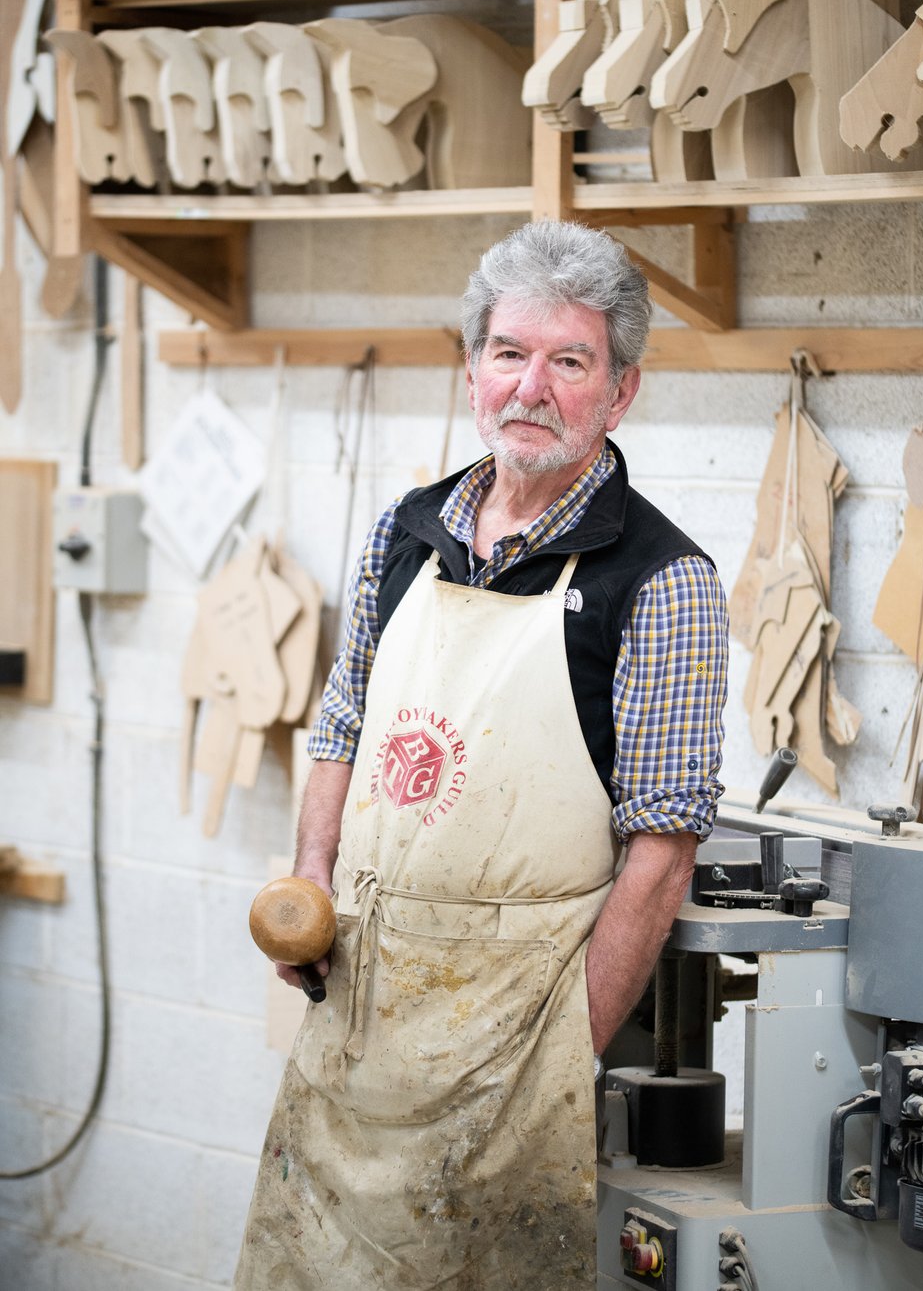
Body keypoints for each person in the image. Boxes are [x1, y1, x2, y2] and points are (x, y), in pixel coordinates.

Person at [234, 219, 728, 1290]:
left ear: (619, 392)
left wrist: (562, 1059)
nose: (532, 388)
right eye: (510, 353)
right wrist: (309, 882)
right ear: (472, 372)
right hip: (358, 1021)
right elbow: (340, 731)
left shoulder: (662, 581)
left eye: (569, 361)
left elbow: (662, 856)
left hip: (517, 1047)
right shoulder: (405, 533)